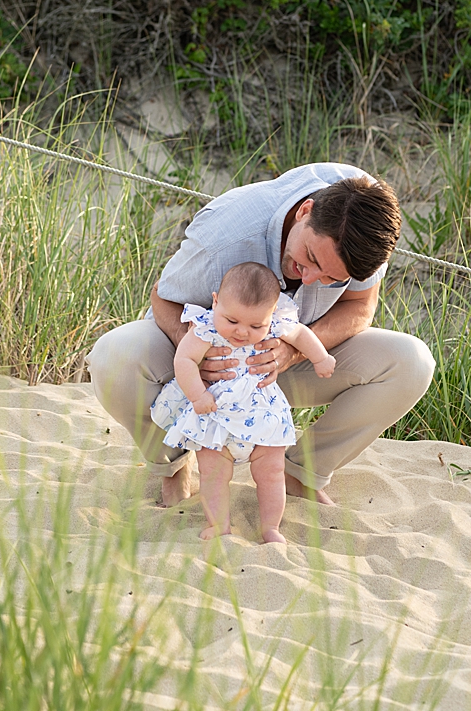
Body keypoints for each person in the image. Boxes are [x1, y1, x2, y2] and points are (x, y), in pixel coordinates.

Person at [87, 163, 436, 507]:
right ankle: (174, 465)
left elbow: (361, 306)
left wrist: (294, 351)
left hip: (287, 362)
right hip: (205, 364)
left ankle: (299, 474)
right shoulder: (225, 236)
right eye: (310, 258)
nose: (313, 278)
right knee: (113, 357)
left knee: (412, 363)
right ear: (305, 211)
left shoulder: (368, 224)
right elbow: (163, 297)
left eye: (332, 278)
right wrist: (197, 355)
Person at [150, 261, 337, 543]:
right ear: (216, 303)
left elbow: (300, 334)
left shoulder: (275, 325)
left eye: (255, 325)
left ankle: (270, 527)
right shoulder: (206, 328)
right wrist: (197, 395)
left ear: (271, 315)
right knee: (213, 474)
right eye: (232, 321)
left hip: (264, 416)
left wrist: (320, 358)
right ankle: (219, 524)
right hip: (216, 415)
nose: (241, 332)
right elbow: (184, 360)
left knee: (271, 472)